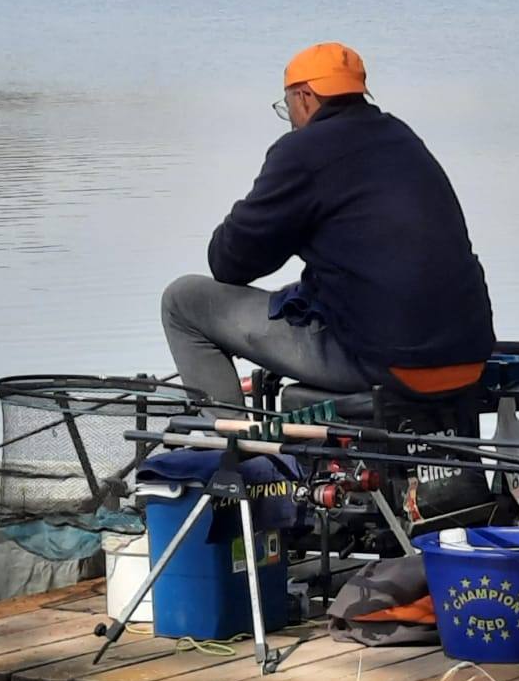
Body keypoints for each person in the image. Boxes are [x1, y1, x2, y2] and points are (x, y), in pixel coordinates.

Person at [162, 42, 495, 411]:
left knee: (183, 301)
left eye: (286, 105)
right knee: (306, 293)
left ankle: (223, 446)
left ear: (304, 97)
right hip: (467, 356)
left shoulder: (302, 151)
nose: (288, 116)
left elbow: (229, 262)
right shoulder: (401, 137)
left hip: (388, 363)